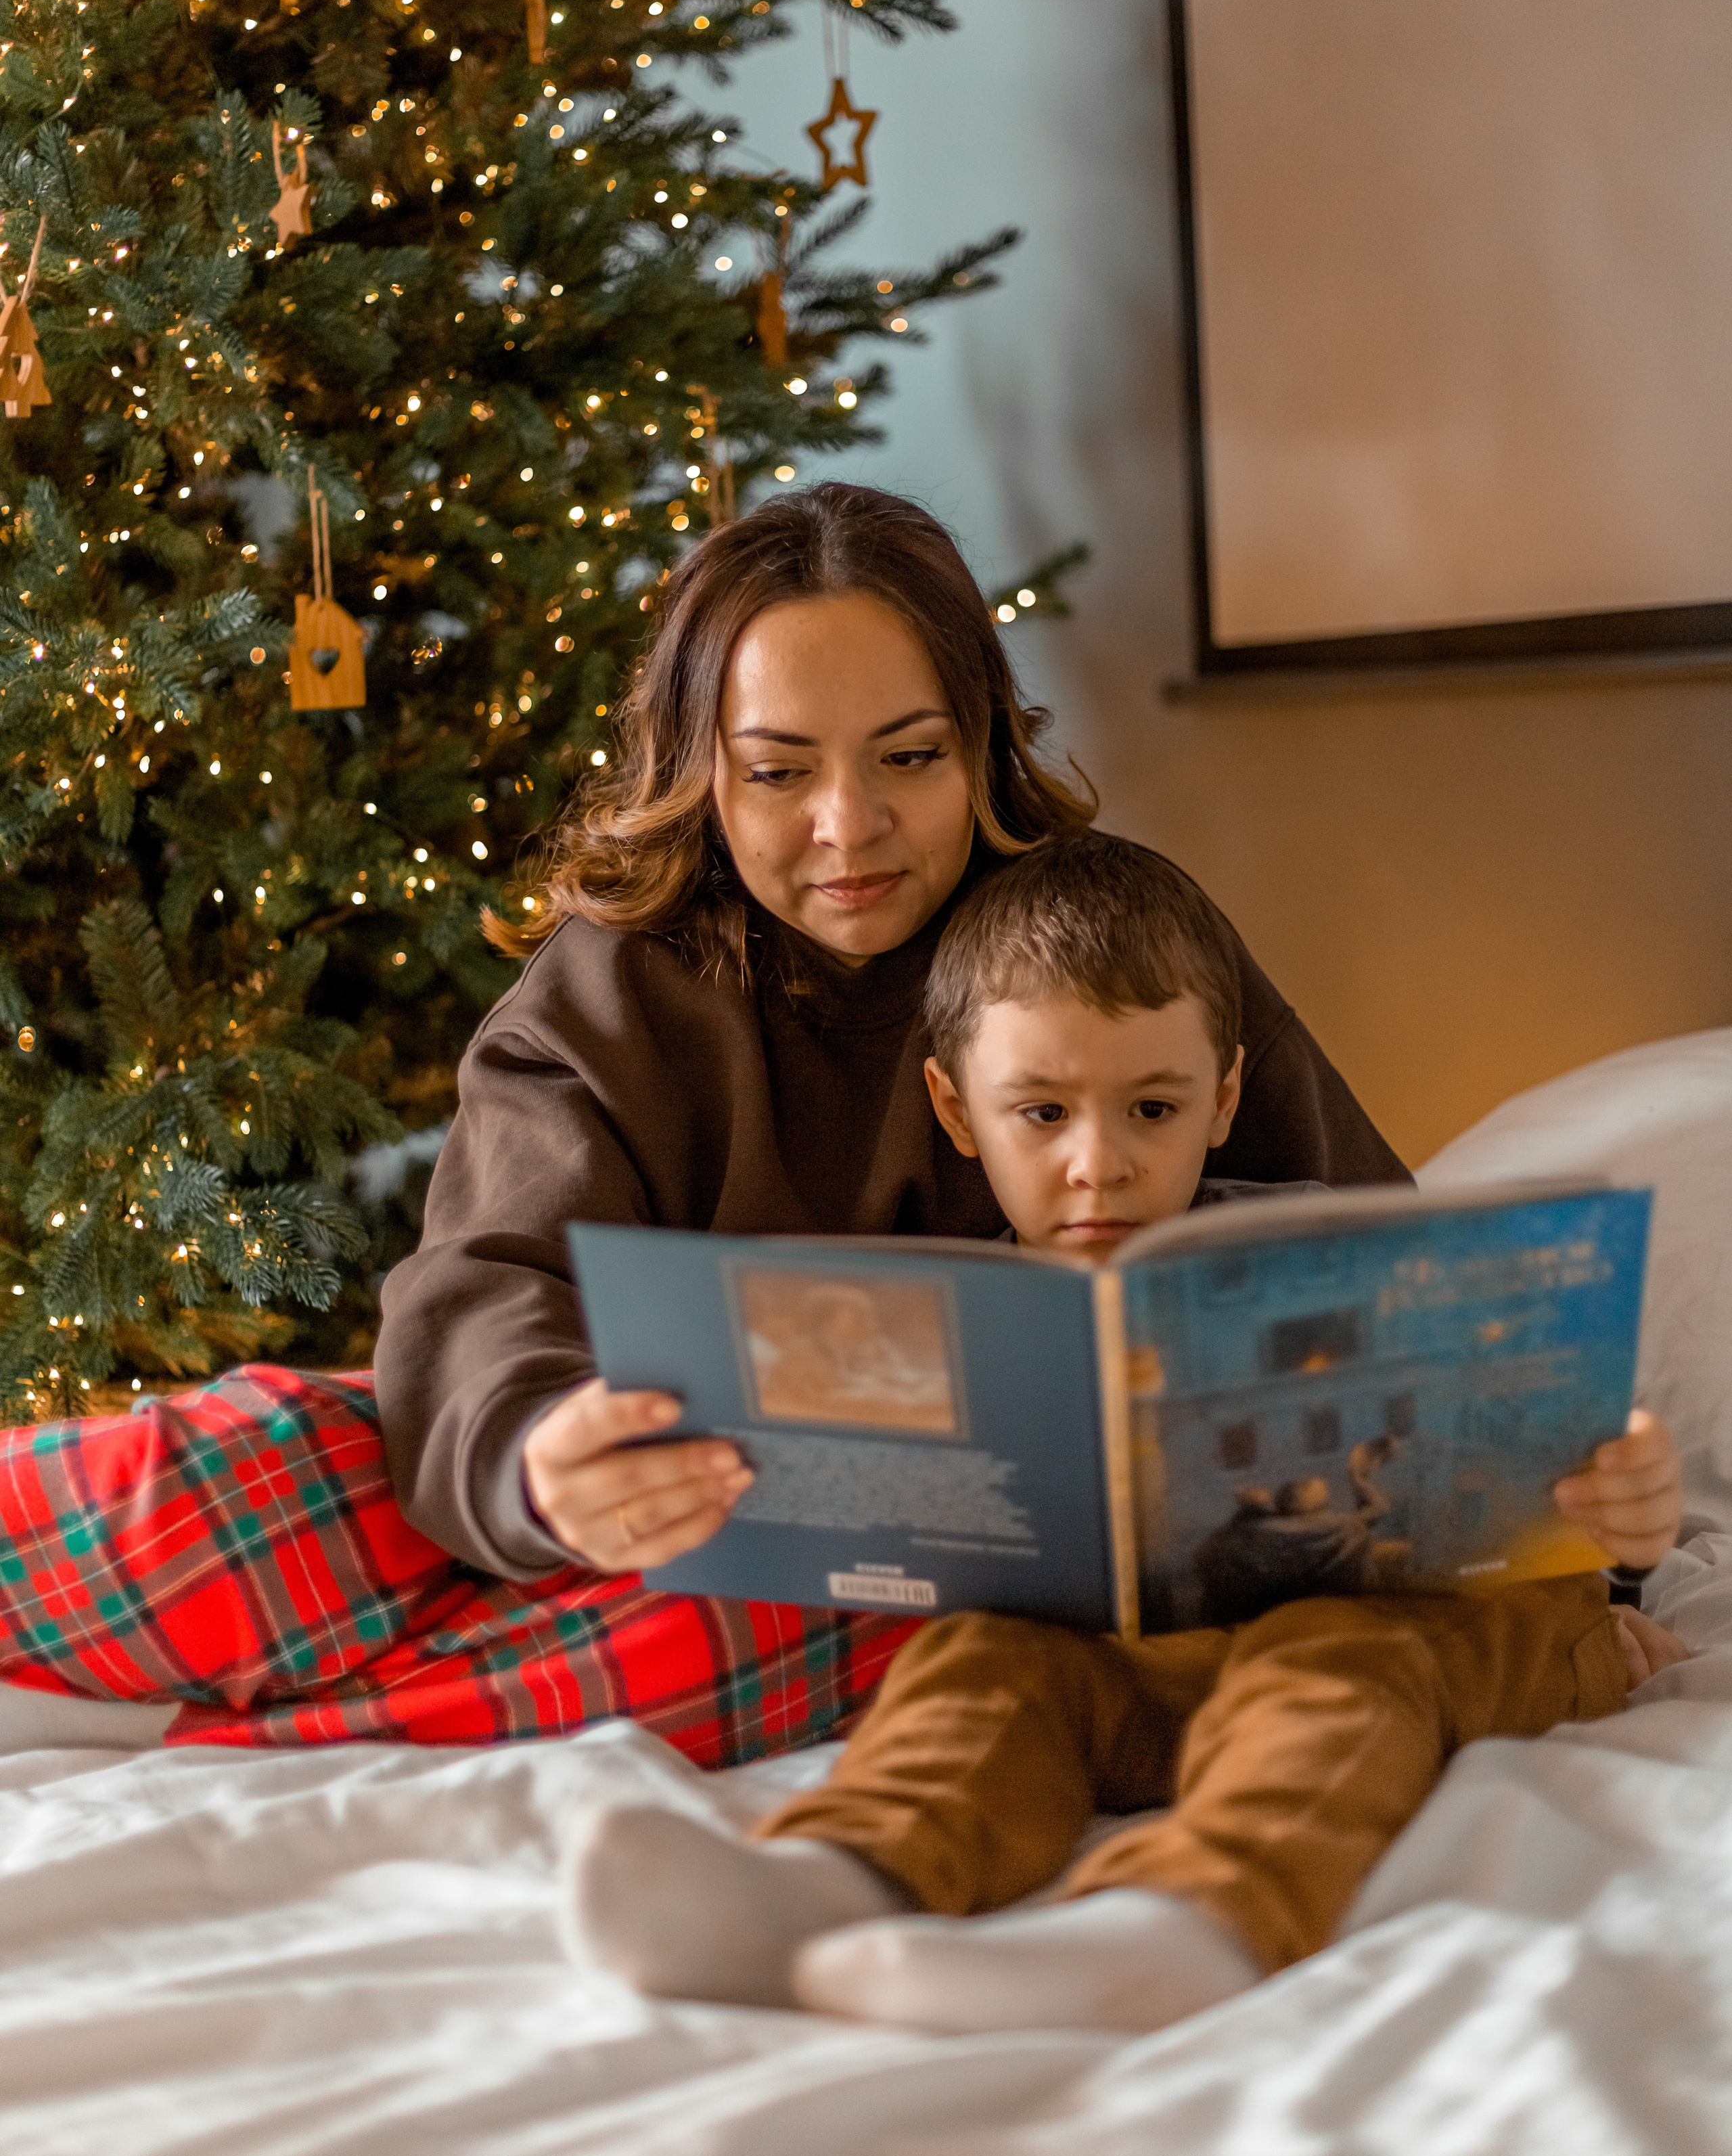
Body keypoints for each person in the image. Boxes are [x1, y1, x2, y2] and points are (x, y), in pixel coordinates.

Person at [0, 489, 1406, 1753]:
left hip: (881, 1557)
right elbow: (483, 1285)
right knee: (249, 1469)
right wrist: (544, 1460)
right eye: (779, 772)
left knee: (757, 1623)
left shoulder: (1106, 943)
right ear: (701, 767)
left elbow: (1381, 1268)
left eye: (909, 758)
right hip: (617, 1461)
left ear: (979, 743)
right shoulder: (617, 984)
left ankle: (204, 1732)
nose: (847, 827)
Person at [563, 834, 1687, 2033]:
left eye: (1154, 1108)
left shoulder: (1338, 1250)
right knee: (983, 1657)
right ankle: (833, 1881)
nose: (1097, 1165)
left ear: (1226, 1098)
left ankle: (1186, 1926)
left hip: (1412, 1639)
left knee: (1334, 1651)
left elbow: (1537, 1429)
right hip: (1144, 1674)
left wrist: (1627, 1520)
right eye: (1041, 1114)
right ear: (955, 1109)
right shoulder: (975, 1313)